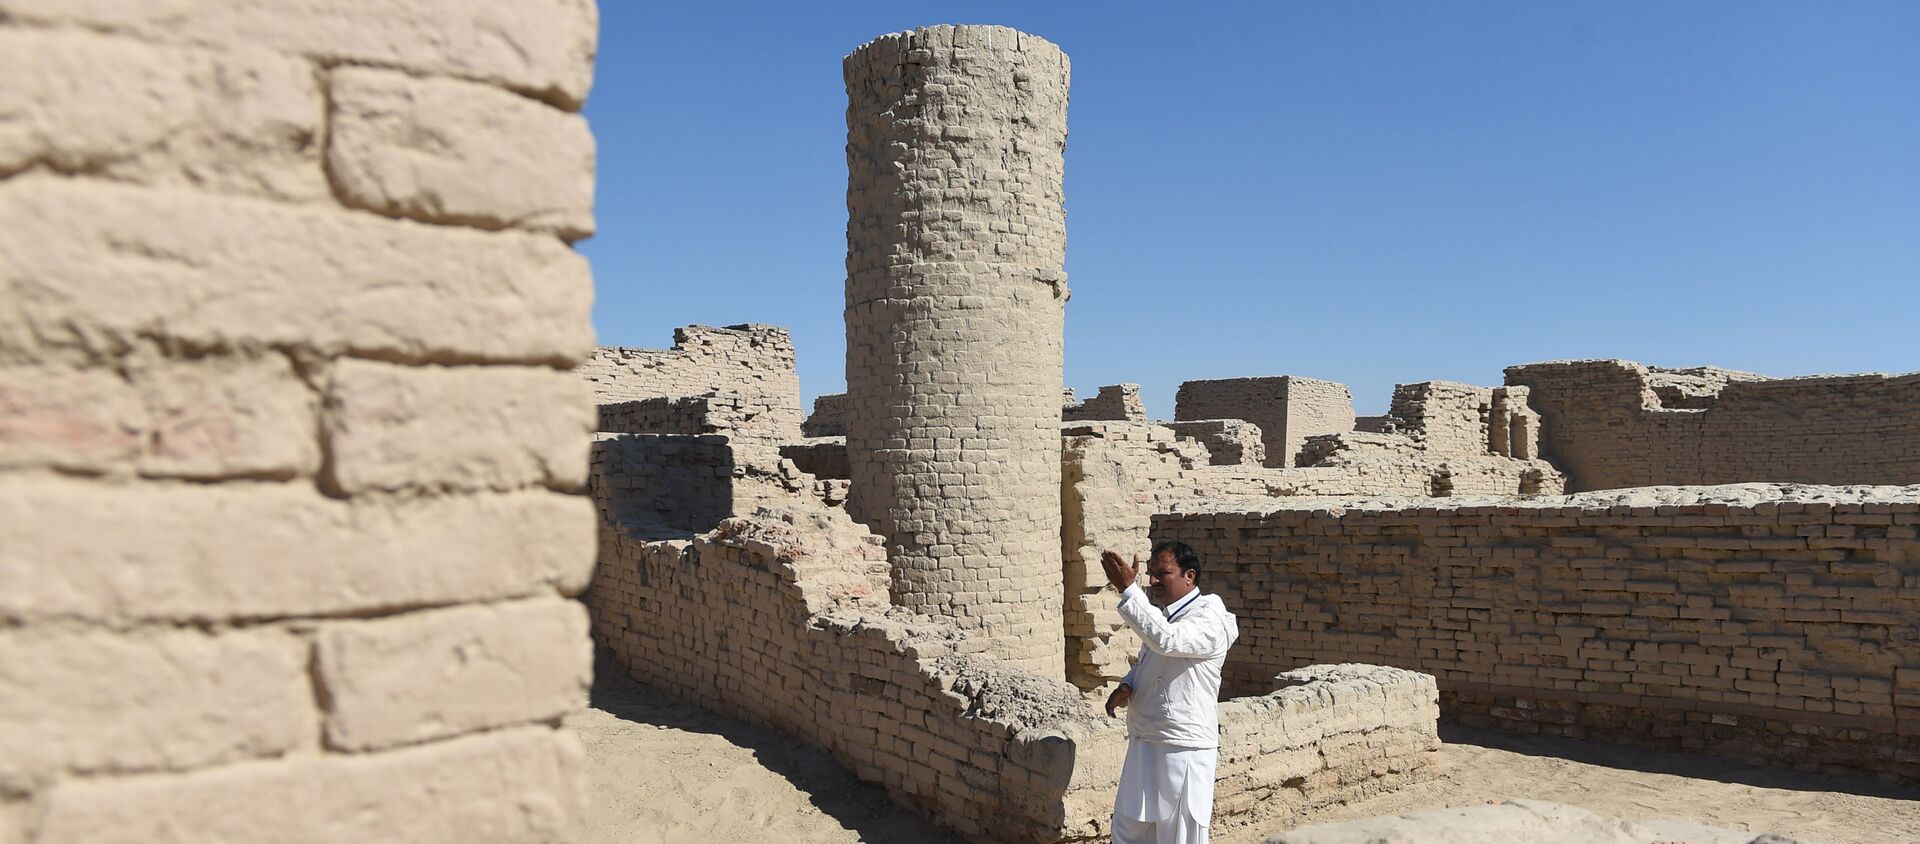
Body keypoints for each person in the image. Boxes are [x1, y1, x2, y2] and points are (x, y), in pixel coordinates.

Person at [1099, 541, 1239, 844]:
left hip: (1182, 747)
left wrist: (1128, 590)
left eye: (1163, 573)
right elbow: (1154, 655)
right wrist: (1129, 684)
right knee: (1128, 832)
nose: (1152, 581)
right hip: (1146, 741)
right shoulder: (1168, 614)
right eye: (1150, 574)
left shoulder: (1209, 617)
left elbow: (1167, 641)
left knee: (1178, 836)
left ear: (1189, 576)